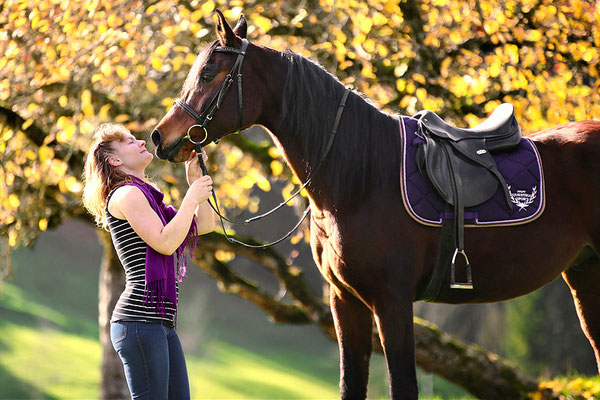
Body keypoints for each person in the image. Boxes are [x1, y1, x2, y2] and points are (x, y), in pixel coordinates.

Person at [82, 123, 214, 399]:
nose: (141, 142)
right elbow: (165, 243)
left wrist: (195, 185)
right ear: (115, 160)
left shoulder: (149, 199)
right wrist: (190, 199)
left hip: (161, 322)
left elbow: (205, 224)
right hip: (139, 322)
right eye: (130, 142)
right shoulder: (126, 194)